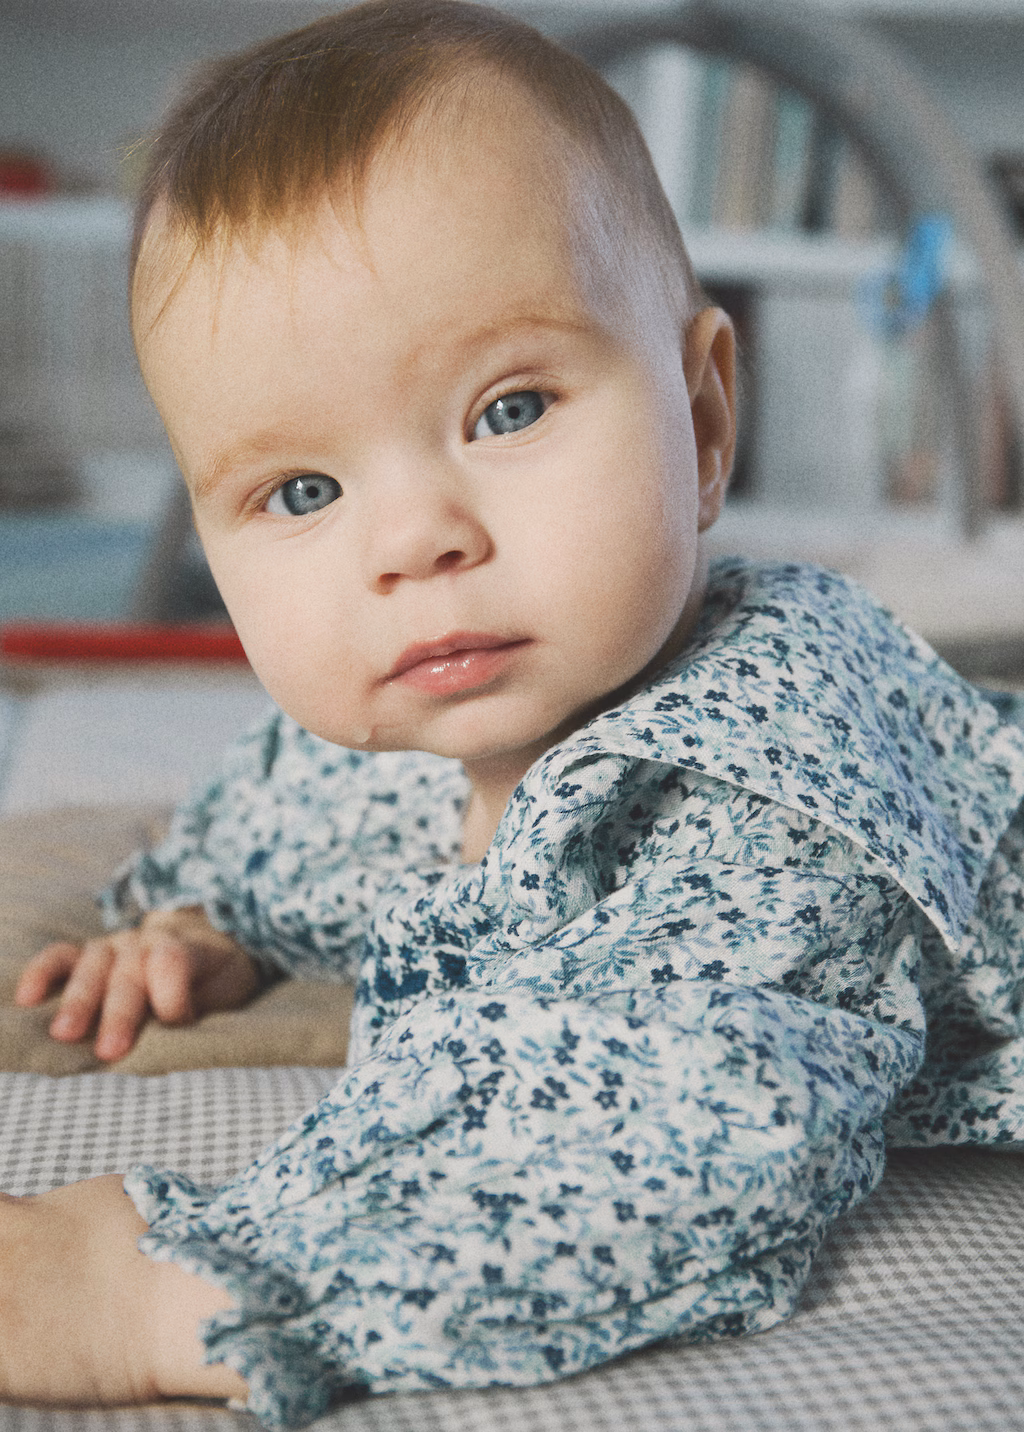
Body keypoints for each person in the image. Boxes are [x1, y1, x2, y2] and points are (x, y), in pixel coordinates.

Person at [7, 0, 1024, 1425]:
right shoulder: (430, 719)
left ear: (705, 420)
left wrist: (186, 1287)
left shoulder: (761, 795)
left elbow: (669, 1139)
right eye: (302, 492)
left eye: (507, 409)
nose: (413, 540)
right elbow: (303, 808)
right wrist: (200, 917)